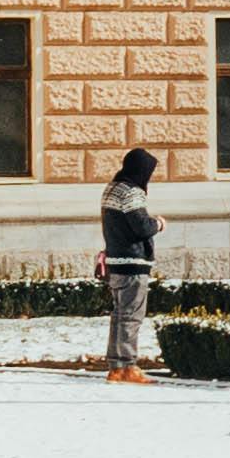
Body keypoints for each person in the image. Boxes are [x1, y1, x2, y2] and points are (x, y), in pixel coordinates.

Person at [98, 143, 163, 381]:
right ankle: (128, 366)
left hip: (115, 260)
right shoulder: (132, 192)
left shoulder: (111, 189)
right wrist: (159, 223)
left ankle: (115, 366)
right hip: (133, 262)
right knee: (131, 316)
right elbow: (141, 227)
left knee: (119, 315)